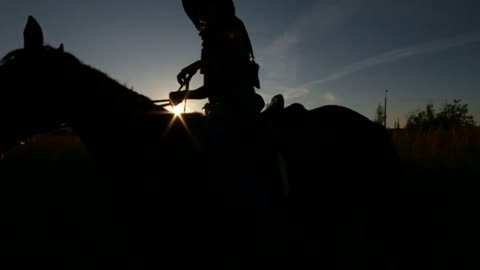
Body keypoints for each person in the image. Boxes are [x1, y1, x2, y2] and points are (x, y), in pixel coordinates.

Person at [170, 0, 265, 118]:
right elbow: (216, 77)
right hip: (227, 106)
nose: (201, 21)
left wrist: (184, 95)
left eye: (201, 14)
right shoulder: (217, 34)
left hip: (236, 111)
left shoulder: (228, 30)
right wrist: (197, 65)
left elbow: (214, 86)